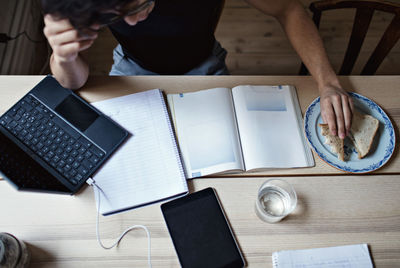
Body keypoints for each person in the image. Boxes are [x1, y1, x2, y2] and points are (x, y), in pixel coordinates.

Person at [41, 0, 353, 139]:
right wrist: (63, 57)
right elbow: (73, 83)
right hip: (132, 66)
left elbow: (288, 8)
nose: (133, 22)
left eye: (138, 6)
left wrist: (328, 83)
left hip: (204, 63)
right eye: (116, 16)